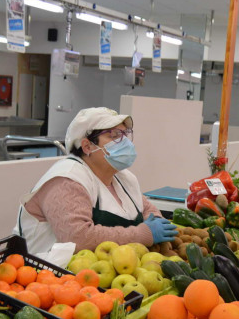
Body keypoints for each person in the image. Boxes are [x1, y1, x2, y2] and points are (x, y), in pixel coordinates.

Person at [14, 107, 178, 254]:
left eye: (125, 134)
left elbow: (146, 209)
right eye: (114, 136)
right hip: (45, 277)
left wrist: (156, 221)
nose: (125, 142)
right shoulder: (66, 179)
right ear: (87, 146)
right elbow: (78, 238)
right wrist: (142, 234)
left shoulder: (123, 178)